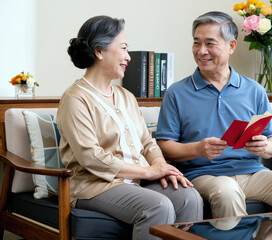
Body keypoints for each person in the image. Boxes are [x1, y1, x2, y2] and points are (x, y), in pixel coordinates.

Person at [56, 15, 203, 240]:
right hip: (94, 186)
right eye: (123, 49)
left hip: (136, 181)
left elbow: (146, 142)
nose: (128, 57)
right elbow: (90, 157)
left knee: (189, 197)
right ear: (99, 51)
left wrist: (162, 166)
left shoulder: (125, 96)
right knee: (158, 206)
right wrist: (148, 171)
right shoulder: (75, 98)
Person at [156, 11, 272, 221]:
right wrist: (198, 148)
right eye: (196, 43)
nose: (201, 51)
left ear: (231, 46)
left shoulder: (254, 90)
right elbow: (165, 146)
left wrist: (264, 147)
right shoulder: (177, 92)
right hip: (203, 175)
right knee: (227, 189)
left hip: (253, 173)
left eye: (210, 43)